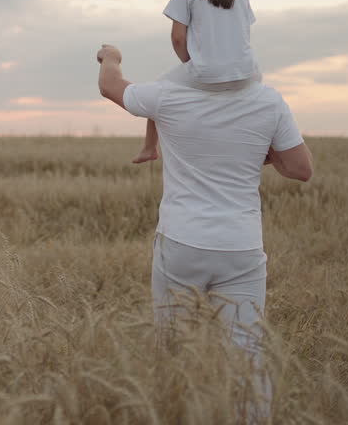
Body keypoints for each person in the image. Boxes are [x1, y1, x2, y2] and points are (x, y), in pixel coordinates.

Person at [96, 42, 313, 418]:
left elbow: (110, 86)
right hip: (241, 247)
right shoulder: (268, 101)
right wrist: (255, 153)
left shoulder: (170, 95)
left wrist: (111, 56)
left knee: (174, 353)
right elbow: (301, 169)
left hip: (181, 243)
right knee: (248, 355)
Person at [135, 0, 261, 165]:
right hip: (246, 72)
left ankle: (149, 147)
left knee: (157, 90)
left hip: (206, 72)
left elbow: (178, 38)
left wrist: (191, 64)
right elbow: (244, 34)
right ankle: (270, 147)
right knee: (259, 99)